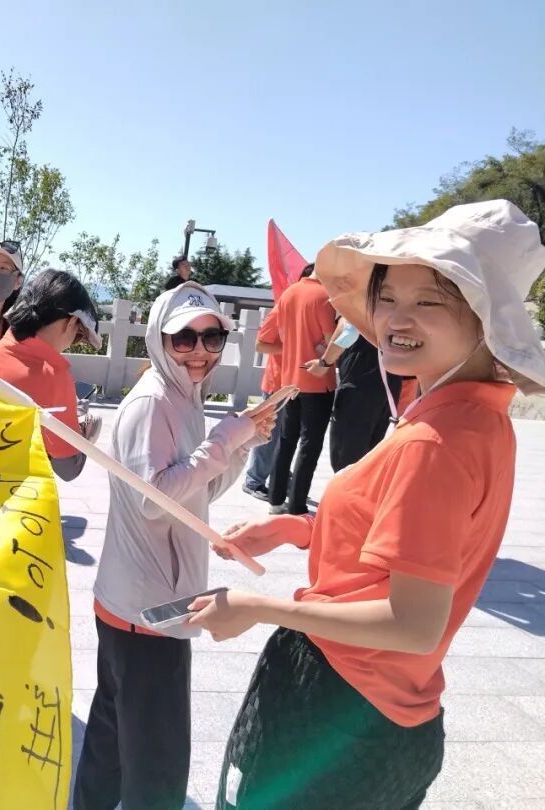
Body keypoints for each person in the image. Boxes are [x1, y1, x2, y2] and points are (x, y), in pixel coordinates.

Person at [187, 200, 545, 809]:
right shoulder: (472, 414)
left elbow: (413, 623)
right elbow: (415, 534)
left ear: (485, 318)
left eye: (429, 300)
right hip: (395, 712)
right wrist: (300, 528)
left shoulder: (436, 440)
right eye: (388, 296)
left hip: (338, 705)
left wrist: (257, 607)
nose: (396, 318)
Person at [73, 281, 277, 810]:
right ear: (160, 341)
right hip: (150, 609)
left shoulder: (182, 395)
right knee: (157, 761)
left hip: (137, 600)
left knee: (112, 737)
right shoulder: (154, 401)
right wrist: (224, 439)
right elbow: (154, 499)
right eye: (183, 339)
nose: (199, 351)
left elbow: (195, 493)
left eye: (212, 338)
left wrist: (241, 444)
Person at [0, 269, 103, 481]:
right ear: (71, 322)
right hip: (12, 493)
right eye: (79, 334)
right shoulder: (53, 377)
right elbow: (68, 469)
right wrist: (86, 434)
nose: (72, 341)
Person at [265, 263, 337, 514]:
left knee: (286, 440)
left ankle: (275, 500)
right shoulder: (323, 297)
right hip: (317, 380)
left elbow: (281, 335)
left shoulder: (289, 293)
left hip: (290, 379)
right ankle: (296, 505)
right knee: (309, 445)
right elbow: (332, 341)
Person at [304, 316, 403, 471]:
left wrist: (324, 363)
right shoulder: (395, 308)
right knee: (372, 458)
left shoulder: (362, 304)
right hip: (390, 383)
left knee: (345, 460)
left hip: (360, 382)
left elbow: (348, 331)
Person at [242, 309, 284, 499]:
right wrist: (295, 348)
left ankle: (280, 477)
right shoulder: (279, 311)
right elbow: (260, 345)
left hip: (301, 384)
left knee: (288, 436)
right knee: (269, 433)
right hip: (277, 383)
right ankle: (254, 480)